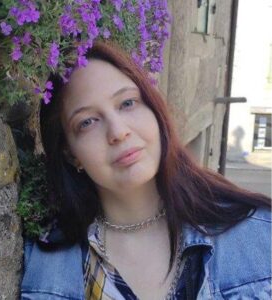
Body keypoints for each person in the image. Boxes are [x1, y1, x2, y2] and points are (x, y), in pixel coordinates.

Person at [20, 41, 271, 300]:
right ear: (71, 154)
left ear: (153, 108)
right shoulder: (43, 261)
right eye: (87, 122)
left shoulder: (259, 237)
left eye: (127, 103)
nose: (118, 132)